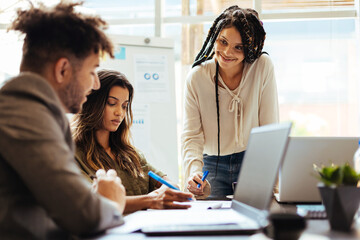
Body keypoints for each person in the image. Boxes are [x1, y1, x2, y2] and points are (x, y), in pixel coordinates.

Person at [0, 2, 127, 239]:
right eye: (92, 72)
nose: (96, 84)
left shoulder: (31, 110)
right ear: (62, 70)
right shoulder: (23, 112)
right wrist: (112, 203)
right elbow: (81, 213)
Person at [182, 6, 279, 199]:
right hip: (212, 165)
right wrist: (194, 172)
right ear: (214, 38)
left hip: (254, 160)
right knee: (214, 222)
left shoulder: (262, 67)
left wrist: (273, 183)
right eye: (223, 42)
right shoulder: (197, 77)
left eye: (238, 47)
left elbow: (269, 128)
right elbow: (192, 135)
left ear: (250, 48)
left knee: (257, 221)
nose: (227, 52)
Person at [73, 69, 193, 213]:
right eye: (112, 103)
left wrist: (171, 190)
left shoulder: (130, 154)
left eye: (124, 106)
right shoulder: (73, 155)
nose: (120, 112)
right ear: (92, 103)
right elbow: (92, 203)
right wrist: (151, 200)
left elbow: (167, 183)